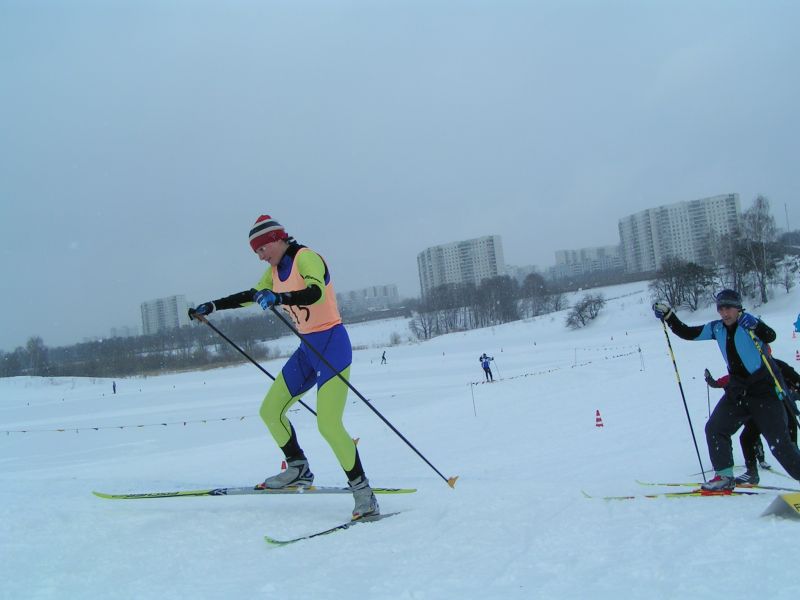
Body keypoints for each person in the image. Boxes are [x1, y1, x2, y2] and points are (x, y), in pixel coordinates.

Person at [188, 215, 378, 519]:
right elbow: (251, 296)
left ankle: (364, 494)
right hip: (307, 350)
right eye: (256, 252)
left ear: (276, 239)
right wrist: (212, 306)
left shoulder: (306, 258)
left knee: (328, 424)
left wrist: (279, 297)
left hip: (332, 345)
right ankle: (298, 468)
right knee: (270, 411)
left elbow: (315, 292)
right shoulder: (274, 271)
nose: (261, 256)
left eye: (262, 249)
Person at [653, 289, 800, 490]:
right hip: (738, 391)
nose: (724, 313)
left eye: (728, 308)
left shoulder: (748, 323)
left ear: (738, 308)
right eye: (721, 309)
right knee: (715, 428)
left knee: (780, 445)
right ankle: (724, 477)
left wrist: (756, 325)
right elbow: (688, 333)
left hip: (764, 392)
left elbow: (770, 335)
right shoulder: (716, 328)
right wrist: (669, 316)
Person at [705, 356, 800, 484]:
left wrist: (790, 395)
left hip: (782, 411)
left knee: (787, 446)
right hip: (758, 411)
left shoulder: (777, 365)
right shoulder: (745, 368)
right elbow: (725, 381)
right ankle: (752, 472)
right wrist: (710, 380)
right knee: (746, 438)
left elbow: (797, 382)